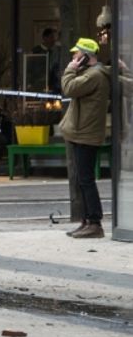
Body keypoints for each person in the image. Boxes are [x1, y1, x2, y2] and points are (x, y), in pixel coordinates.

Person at [60, 38, 110, 239]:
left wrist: (70, 69)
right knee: (82, 179)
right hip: (81, 132)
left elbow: (69, 88)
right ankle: (87, 220)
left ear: (85, 57)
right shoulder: (91, 74)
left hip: (85, 134)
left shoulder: (94, 75)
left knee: (86, 180)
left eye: (76, 55)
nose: (73, 58)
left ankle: (95, 222)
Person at [32, 27, 63, 94]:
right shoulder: (36, 51)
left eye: (54, 38)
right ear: (45, 38)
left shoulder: (55, 52)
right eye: (51, 37)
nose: (53, 40)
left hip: (53, 85)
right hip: (40, 85)